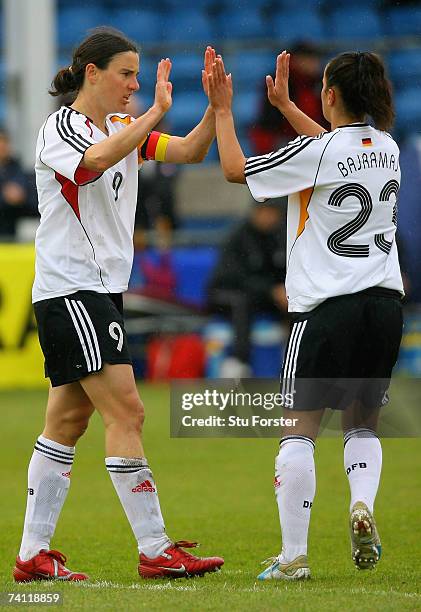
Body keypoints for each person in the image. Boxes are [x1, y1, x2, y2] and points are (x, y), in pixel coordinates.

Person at [13, 29, 223, 582]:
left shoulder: (122, 129)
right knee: (127, 411)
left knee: (68, 419)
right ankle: (155, 550)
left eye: (137, 74)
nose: (134, 83)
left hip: (97, 290)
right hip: (72, 289)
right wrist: (153, 112)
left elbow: (189, 151)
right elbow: (93, 163)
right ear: (91, 73)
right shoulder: (62, 129)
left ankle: (33, 555)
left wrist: (214, 111)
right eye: (126, 73)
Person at [207, 50, 403, 579]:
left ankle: (294, 557)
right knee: (362, 426)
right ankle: (361, 503)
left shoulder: (313, 152)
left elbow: (233, 171)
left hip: (324, 309)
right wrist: (289, 106)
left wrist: (223, 110)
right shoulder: (387, 146)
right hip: (385, 305)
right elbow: (335, 150)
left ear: (331, 94)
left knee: (299, 432)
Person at [207, 200, 288, 377]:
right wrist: (271, 290)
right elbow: (233, 278)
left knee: (299, 301)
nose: (269, 218)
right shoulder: (238, 236)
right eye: (265, 212)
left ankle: (290, 356)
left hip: (263, 296)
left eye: (273, 213)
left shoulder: (279, 236)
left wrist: (284, 290)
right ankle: (238, 363)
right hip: (225, 294)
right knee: (241, 302)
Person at [249, 42, 327, 155]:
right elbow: (269, 120)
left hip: (314, 136)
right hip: (284, 139)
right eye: (311, 59)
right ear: (298, 60)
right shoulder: (280, 83)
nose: (315, 64)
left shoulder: (320, 82)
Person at [0, 129, 33, 238]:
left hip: (9, 236)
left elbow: (30, 199)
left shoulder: (16, 168)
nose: (2, 146)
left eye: (4, 142)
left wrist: (19, 196)